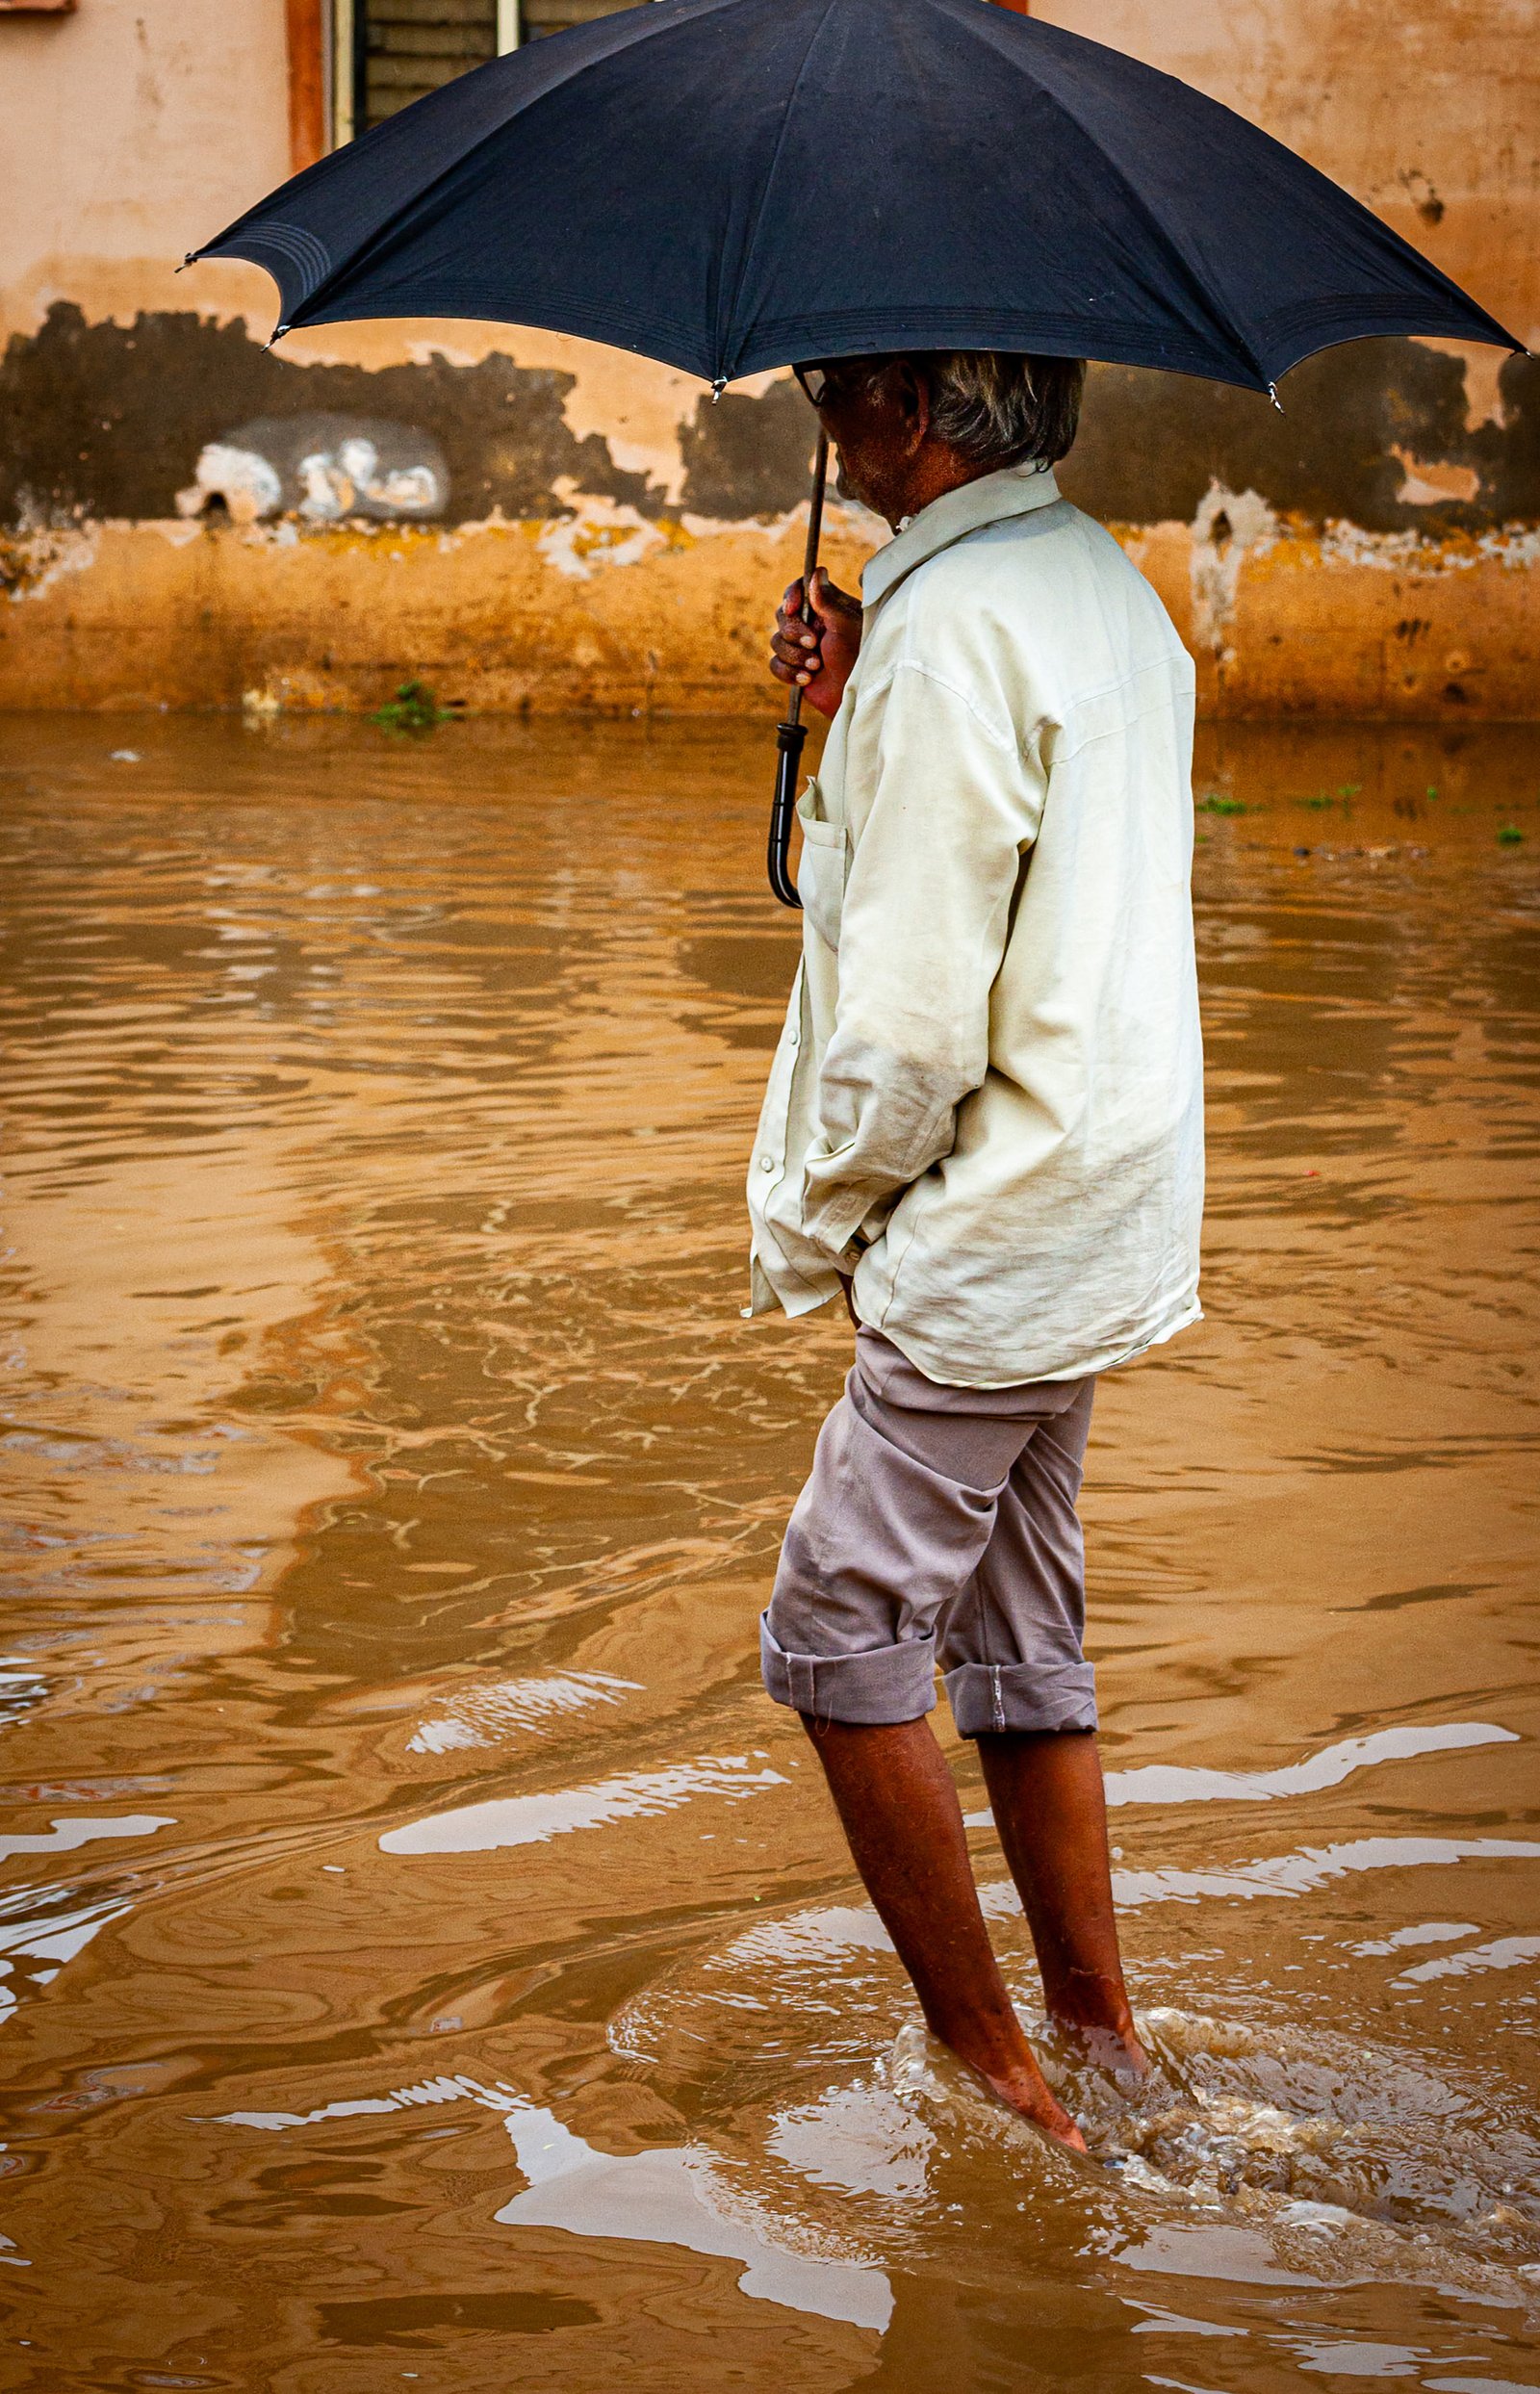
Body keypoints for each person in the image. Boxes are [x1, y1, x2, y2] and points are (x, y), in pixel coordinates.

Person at [748, 351, 1203, 2151]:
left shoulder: (950, 638)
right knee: (1020, 1638)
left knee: (837, 1637)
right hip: (1093, 1197)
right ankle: (1101, 2039)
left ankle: (999, 2075)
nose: (820, 410)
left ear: (924, 404)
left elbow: (914, 1031)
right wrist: (857, 699)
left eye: (839, 383)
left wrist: (825, 1218)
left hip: (989, 1215)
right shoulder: (1097, 587)